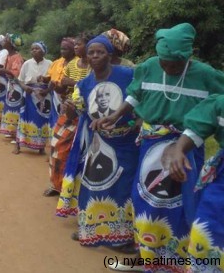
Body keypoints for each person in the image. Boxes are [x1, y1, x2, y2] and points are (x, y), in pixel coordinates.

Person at [95, 23, 224, 271]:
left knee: (182, 204)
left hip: (185, 148)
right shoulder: (148, 67)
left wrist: (183, 144)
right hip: (150, 145)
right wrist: (115, 115)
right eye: (164, 61)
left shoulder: (207, 75)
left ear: (189, 56)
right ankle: (145, 257)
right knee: (145, 200)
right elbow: (135, 95)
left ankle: (180, 262)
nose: (167, 66)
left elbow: (213, 110)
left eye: (174, 63)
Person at [55, 35, 139, 255]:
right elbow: (81, 112)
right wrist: (72, 111)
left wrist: (138, 121)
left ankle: (124, 237)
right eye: (91, 52)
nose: (94, 56)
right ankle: (92, 227)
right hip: (97, 142)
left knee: (123, 188)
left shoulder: (127, 75)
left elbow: (141, 99)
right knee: (93, 185)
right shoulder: (83, 84)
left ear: (109, 56)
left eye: (99, 52)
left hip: (127, 141)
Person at [162, 94, 224, 272]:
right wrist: (179, 149)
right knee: (204, 231)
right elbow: (196, 128)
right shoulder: (220, 103)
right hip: (221, 184)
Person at [46, 34, 91, 197]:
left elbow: (92, 86)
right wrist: (57, 87)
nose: (77, 47)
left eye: (80, 45)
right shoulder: (72, 64)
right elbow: (64, 89)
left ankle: (74, 190)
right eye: (76, 45)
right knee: (57, 145)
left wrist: (71, 83)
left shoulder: (94, 66)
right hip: (69, 111)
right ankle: (57, 184)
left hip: (87, 113)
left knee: (81, 152)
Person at [15, 41, 53, 154]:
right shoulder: (27, 64)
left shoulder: (50, 64)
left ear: (43, 51)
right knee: (24, 118)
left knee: (42, 120)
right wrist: (25, 87)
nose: (34, 51)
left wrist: (47, 91)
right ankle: (18, 145)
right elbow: (20, 80)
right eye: (32, 49)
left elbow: (53, 81)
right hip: (29, 94)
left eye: (37, 48)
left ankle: (41, 147)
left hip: (43, 95)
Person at [0, 34, 25, 139]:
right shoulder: (9, 56)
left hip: (17, 85)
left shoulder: (17, 57)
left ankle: (16, 134)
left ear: (11, 44)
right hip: (11, 85)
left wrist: (0, 70)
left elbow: (15, 73)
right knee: (10, 106)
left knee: (15, 107)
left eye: (6, 40)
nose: (4, 41)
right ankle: (11, 130)